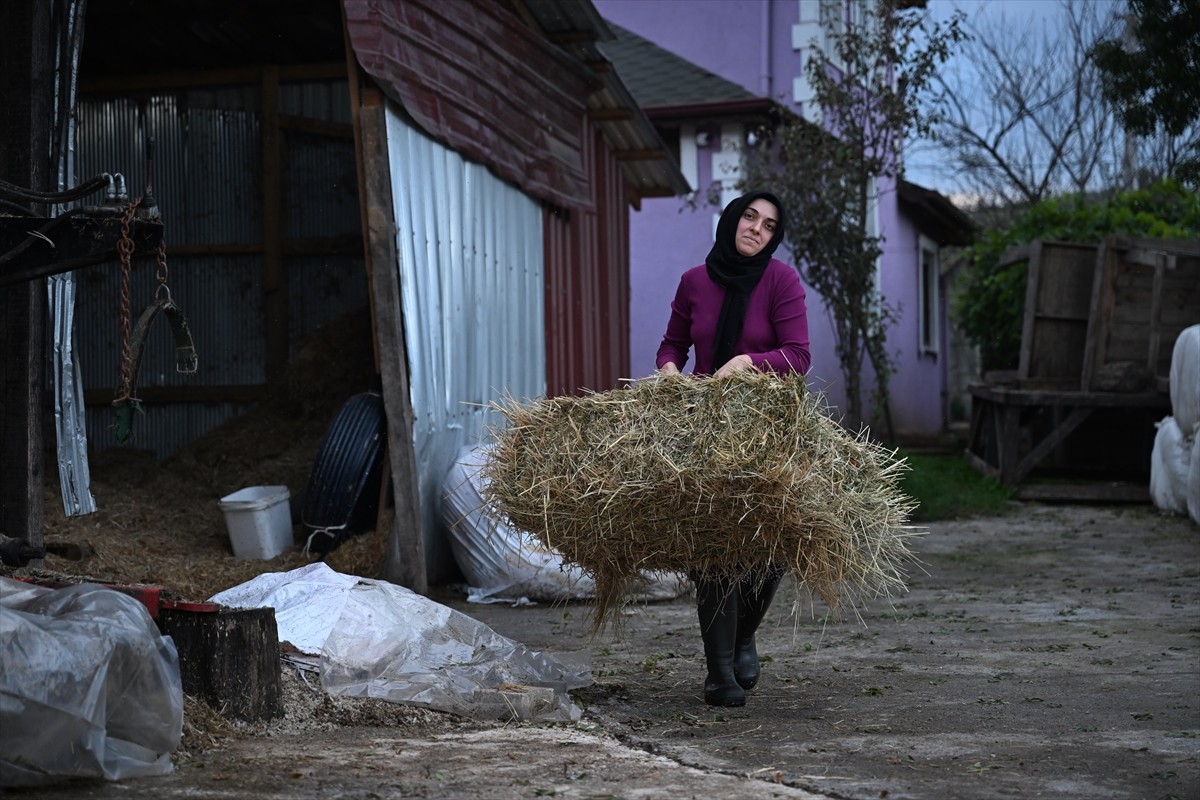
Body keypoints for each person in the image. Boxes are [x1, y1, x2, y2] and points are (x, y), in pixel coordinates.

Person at [655, 189, 811, 707]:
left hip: (765, 424)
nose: (756, 230)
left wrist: (747, 363)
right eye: (750, 217)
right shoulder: (694, 282)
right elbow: (673, 343)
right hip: (703, 424)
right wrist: (671, 372)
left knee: (769, 545)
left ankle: (743, 636)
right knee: (712, 548)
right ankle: (720, 672)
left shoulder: (781, 281)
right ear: (732, 219)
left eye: (769, 226)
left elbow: (799, 355)